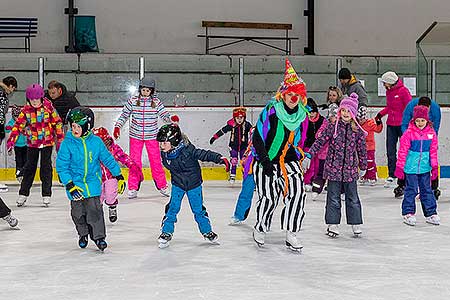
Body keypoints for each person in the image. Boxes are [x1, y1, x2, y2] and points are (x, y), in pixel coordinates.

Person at [251, 59, 309, 252]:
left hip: (289, 160)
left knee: (298, 193)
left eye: (296, 95)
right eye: (289, 94)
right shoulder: (271, 112)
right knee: (269, 197)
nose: (293, 98)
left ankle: (291, 232)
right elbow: (258, 137)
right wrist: (265, 161)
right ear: (282, 95)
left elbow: (300, 140)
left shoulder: (301, 115)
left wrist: (304, 155)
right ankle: (260, 227)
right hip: (266, 161)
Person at [56, 107, 126, 251]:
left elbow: (108, 159)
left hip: (93, 183)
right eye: (72, 126)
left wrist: (118, 175)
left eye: (78, 126)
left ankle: (99, 237)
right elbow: (62, 167)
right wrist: (69, 185)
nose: (74, 129)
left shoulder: (96, 142)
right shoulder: (67, 144)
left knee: (95, 211)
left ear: (87, 126)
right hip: (75, 185)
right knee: (78, 214)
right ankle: (83, 233)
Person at [156, 123, 230, 248]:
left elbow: (204, 154)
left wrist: (220, 158)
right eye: (160, 143)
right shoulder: (165, 153)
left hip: (193, 184)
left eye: (164, 142)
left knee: (198, 210)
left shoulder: (188, 150)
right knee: (172, 208)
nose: (161, 146)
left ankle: (207, 231)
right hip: (178, 184)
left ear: (174, 141)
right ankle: (166, 232)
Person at [306, 93, 367, 238]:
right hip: (333, 169)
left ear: (353, 113)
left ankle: (355, 223)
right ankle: (333, 224)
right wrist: (309, 154)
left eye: (348, 111)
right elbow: (320, 141)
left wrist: (363, 166)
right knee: (333, 197)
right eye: (343, 110)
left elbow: (362, 150)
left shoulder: (357, 130)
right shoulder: (333, 127)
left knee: (353, 198)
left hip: (350, 170)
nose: (345, 114)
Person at [114, 77, 172, 199]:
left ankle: (162, 186)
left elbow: (164, 114)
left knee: (156, 161)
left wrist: (171, 120)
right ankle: (133, 187)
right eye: (144, 90)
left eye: (148, 90)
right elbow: (124, 115)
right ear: (140, 89)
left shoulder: (156, 102)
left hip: (152, 136)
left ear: (152, 91)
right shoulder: (133, 101)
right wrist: (117, 126)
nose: (145, 92)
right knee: (134, 162)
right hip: (136, 136)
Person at [7, 84, 64, 207]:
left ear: (41, 98)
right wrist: (11, 141)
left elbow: (57, 122)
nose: (34, 102)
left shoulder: (49, 107)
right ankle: (23, 194)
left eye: (36, 99)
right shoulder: (26, 110)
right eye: (32, 99)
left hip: (47, 142)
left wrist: (60, 139)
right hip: (32, 143)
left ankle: (46, 194)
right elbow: (17, 126)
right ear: (28, 99)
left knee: (46, 168)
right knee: (29, 168)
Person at [394, 105, 439, 226]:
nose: (420, 123)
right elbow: (402, 151)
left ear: (427, 120)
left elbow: (433, 151)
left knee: (427, 190)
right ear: (413, 120)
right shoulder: (409, 134)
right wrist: (399, 166)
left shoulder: (431, 133)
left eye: (422, 120)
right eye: (417, 120)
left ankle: (431, 213)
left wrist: (434, 166)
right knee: (411, 190)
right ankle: (408, 212)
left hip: (425, 168)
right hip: (411, 168)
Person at [92, 127, 144, 223]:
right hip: (97, 178)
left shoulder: (114, 149)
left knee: (110, 194)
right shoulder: (91, 152)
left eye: (104, 142)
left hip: (112, 177)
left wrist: (134, 167)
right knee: (98, 197)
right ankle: (97, 212)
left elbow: (124, 157)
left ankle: (112, 206)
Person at [374, 71, 412, 194]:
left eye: (385, 82)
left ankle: (404, 175)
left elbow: (409, 107)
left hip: (402, 125)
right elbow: (389, 107)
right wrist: (380, 114)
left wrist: (409, 122)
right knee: (390, 150)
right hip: (391, 124)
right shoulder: (388, 92)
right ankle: (392, 174)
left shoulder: (403, 91)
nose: (384, 85)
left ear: (390, 82)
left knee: (404, 151)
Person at [401, 96, 442, 199]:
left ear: (429, 107)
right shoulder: (410, 106)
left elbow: (435, 128)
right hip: (412, 137)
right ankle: (401, 183)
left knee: (431, 160)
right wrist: (408, 138)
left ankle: (433, 186)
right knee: (407, 160)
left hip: (427, 137)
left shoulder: (435, 109)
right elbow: (404, 123)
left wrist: (431, 141)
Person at [209, 107, 252, 183]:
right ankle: (232, 176)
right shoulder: (231, 125)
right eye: (237, 118)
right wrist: (214, 137)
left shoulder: (247, 125)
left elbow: (253, 131)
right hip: (233, 146)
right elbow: (222, 131)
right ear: (234, 118)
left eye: (241, 118)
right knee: (234, 161)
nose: (239, 120)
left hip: (244, 147)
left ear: (244, 118)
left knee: (244, 162)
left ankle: (246, 178)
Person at [229, 127, 256, 225]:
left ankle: (265, 219)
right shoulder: (249, 149)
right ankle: (238, 215)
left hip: (267, 168)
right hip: (251, 171)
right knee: (246, 192)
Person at [0, 76, 18, 192]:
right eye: (13, 88)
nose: (12, 91)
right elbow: (0, 111)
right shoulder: (1, 94)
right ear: (10, 86)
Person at [303, 97, 325, 191]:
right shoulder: (304, 121)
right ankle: (307, 181)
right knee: (309, 166)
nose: (311, 114)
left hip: (319, 148)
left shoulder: (322, 120)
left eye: (313, 112)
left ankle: (315, 182)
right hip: (307, 147)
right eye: (309, 112)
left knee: (317, 166)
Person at [359, 110, 383, 186]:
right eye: (358, 119)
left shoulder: (369, 123)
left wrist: (379, 122)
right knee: (362, 162)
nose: (360, 121)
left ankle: (372, 177)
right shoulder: (356, 124)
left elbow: (378, 130)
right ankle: (365, 176)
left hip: (370, 147)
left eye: (361, 119)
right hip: (360, 147)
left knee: (370, 162)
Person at [5, 104, 27, 182]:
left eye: (19, 116)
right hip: (17, 145)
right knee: (19, 160)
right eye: (16, 116)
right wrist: (9, 128)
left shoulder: (23, 121)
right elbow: (7, 130)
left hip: (25, 145)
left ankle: (24, 174)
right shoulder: (11, 122)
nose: (17, 118)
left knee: (26, 160)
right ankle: (18, 173)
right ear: (13, 116)